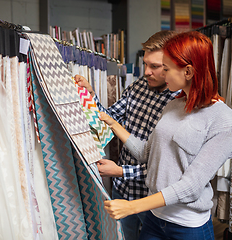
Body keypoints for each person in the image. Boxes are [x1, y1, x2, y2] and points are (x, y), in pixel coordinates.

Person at [99, 31, 232, 240]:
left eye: (166, 69)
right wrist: (112, 123)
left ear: (189, 71)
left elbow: (191, 187)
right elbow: (146, 153)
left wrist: (132, 207)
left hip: (187, 227)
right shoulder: (174, 105)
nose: (162, 75)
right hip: (155, 219)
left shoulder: (223, 122)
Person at [75, 30, 179, 240]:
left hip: (152, 198)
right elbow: (110, 117)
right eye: (146, 64)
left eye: (155, 66)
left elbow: (166, 164)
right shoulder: (140, 86)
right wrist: (90, 95)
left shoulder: (179, 102)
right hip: (122, 189)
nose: (147, 72)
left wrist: (121, 171)